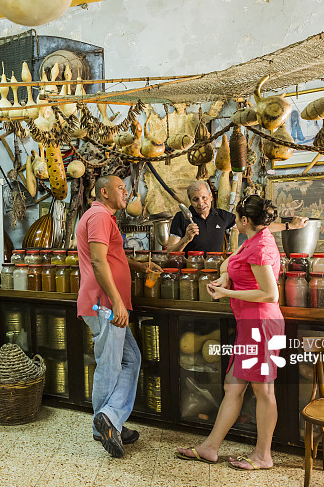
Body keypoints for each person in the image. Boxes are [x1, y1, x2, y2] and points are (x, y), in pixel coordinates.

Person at [176, 195, 284, 471]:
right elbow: (231, 262)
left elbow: (270, 294)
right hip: (250, 325)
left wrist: (227, 292)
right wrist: (225, 277)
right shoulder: (254, 239)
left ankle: (263, 456)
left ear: (246, 220)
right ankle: (210, 448)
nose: (234, 222)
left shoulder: (260, 247)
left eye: (237, 218)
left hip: (260, 326)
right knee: (232, 386)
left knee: (263, 391)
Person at [76, 175, 162, 458]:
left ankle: (111, 420)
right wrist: (116, 302)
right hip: (105, 305)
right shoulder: (100, 216)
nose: (126, 192)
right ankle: (105, 424)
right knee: (110, 366)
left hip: (108, 304)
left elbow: (110, 258)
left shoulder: (103, 216)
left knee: (130, 359)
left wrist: (137, 266)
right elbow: (98, 262)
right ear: (104, 192)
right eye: (121, 188)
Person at [163, 181, 307, 253]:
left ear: (211, 197)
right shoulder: (181, 218)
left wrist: (289, 226)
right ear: (190, 201)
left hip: (216, 271)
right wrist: (185, 240)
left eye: (204, 197)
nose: (201, 203)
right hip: (190, 272)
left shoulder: (221, 216)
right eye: (195, 199)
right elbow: (170, 252)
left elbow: (256, 224)